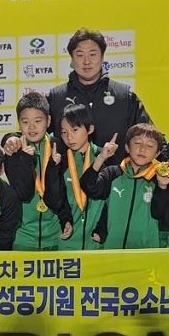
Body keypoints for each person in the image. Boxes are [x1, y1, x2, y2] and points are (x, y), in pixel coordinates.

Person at [47, 27, 154, 166]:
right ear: (72, 59)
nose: (86, 61)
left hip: (117, 177)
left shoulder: (123, 96)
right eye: (80, 55)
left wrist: (168, 164)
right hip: (68, 177)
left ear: (102, 57)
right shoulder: (57, 97)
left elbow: (151, 136)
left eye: (92, 54)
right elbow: (35, 133)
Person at [79, 123, 169, 249]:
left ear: (157, 153)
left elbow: (159, 214)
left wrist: (162, 186)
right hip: (113, 249)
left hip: (146, 251)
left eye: (150, 145)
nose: (143, 149)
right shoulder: (113, 173)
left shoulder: (159, 179)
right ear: (127, 147)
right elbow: (89, 187)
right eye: (137, 143)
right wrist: (101, 158)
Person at [1, 92, 68, 251]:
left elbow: (63, 192)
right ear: (19, 123)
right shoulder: (13, 151)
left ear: (48, 121)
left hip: (55, 237)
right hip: (22, 238)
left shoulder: (59, 147)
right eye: (25, 122)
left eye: (38, 121)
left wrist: (66, 219)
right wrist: (25, 158)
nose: (31, 127)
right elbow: (22, 193)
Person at [57, 104, 106, 251]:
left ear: (90, 129)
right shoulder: (60, 161)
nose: (69, 137)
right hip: (67, 243)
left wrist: (102, 229)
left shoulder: (105, 158)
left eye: (74, 130)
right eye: (64, 132)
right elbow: (58, 199)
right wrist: (65, 221)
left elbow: (112, 202)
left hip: (97, 244)